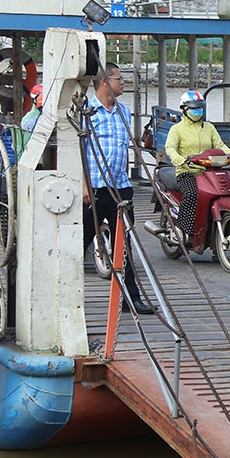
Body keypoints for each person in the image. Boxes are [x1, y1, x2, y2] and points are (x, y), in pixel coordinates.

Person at [82, 63, 153, 315]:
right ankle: (66, 298)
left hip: (120, 188)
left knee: (125, 245)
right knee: (78, 243)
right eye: (119, 79)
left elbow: (124, 150)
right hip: (94, 189)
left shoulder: (123, 111)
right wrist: (83, 184)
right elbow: (79, 150)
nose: (123, 83)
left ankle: (130, 299)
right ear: (104, 82)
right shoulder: (87, 112)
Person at [164, 90, 226, 244]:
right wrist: (180, 159)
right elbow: (170, 148)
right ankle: (181, 228)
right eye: (192, 108)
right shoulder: (177, 129)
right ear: (184, 109)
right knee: (192, 194)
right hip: (187, 172)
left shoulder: (209, 128)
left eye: (199, 108)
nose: (197, 111)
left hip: (208, 172)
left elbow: (220, 146)